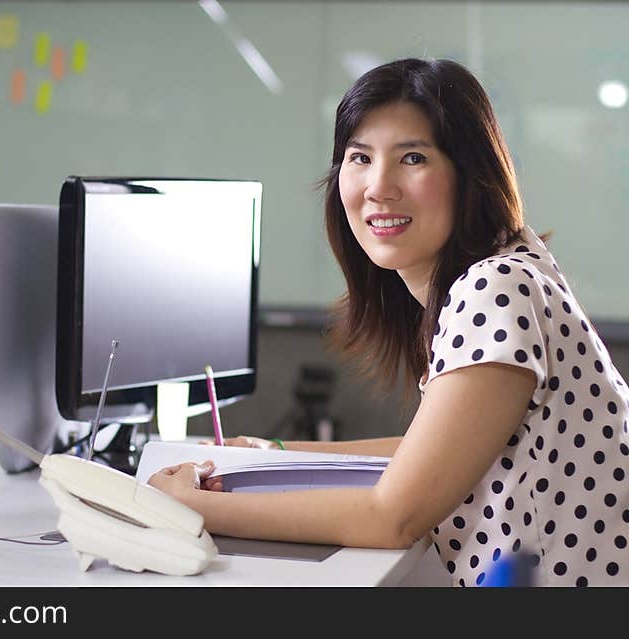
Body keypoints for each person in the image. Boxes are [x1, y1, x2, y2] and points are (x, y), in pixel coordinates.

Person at [148, 58, 629, 587]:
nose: (378, 186)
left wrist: (190, 507)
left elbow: (392, 517)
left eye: (413, 158)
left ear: (471, 175)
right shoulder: (508, 264)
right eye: (360, 157)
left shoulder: (496, 288)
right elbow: (431, 451)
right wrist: (275, 454)